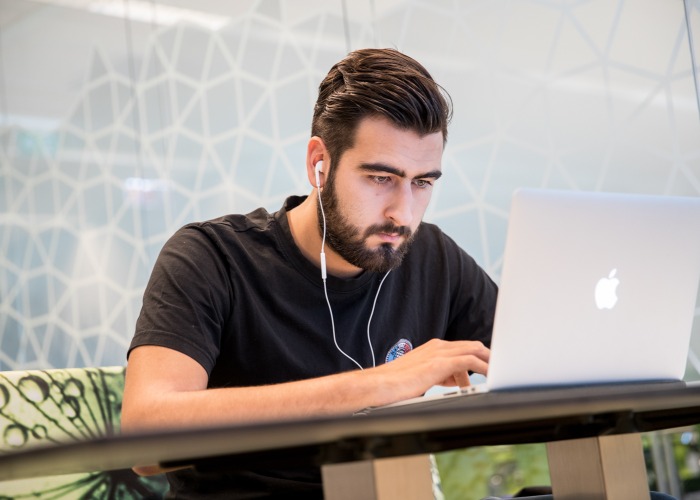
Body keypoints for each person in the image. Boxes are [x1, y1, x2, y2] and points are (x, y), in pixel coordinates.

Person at [122, 47, 498, 498]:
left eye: (422, 183)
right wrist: (381, 384)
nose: (403, 212)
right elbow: (144, 439)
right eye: (380, 178)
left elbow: (543, 369)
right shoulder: (211, 258)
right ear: (319, 163)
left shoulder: (433, 258)